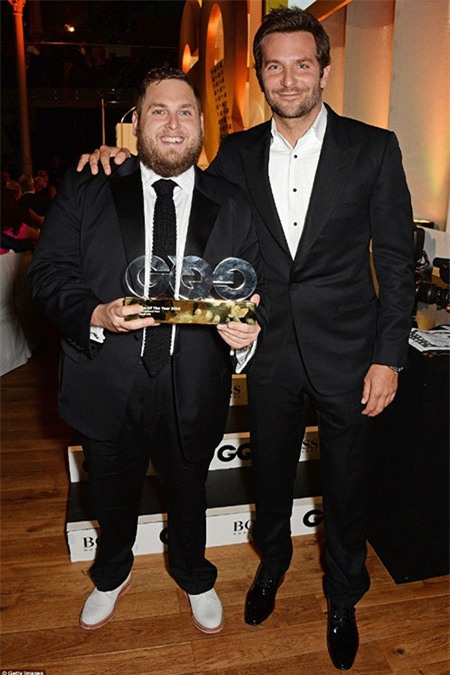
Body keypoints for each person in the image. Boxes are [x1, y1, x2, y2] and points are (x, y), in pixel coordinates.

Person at [78, 7, 415, 670]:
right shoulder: (233, 154)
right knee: (271, 474)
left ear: (323, 71)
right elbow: (180, 187)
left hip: (351, 352)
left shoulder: (374, 148)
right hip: (267, 350)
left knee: (347, 482)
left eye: (302, 65)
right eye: (274, 66)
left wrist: (389, 356)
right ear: (260, 75)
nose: (288, 79)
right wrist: (117, 159)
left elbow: (397, 261)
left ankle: (344, 592)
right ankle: (273, 563)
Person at [30, 67, 265, 636]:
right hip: (105, 376)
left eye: (185, 112)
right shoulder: (89, 185)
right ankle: (111, 572)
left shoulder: (233, 202)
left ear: (201, 124)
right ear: (135, 124)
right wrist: (95, 314)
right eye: (159, 111)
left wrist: (247, 329)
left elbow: (254, 292)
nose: (173, 124)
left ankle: (193, 573)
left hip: (195, 382)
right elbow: (48, 274)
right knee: (110, 491)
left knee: (189, 490)